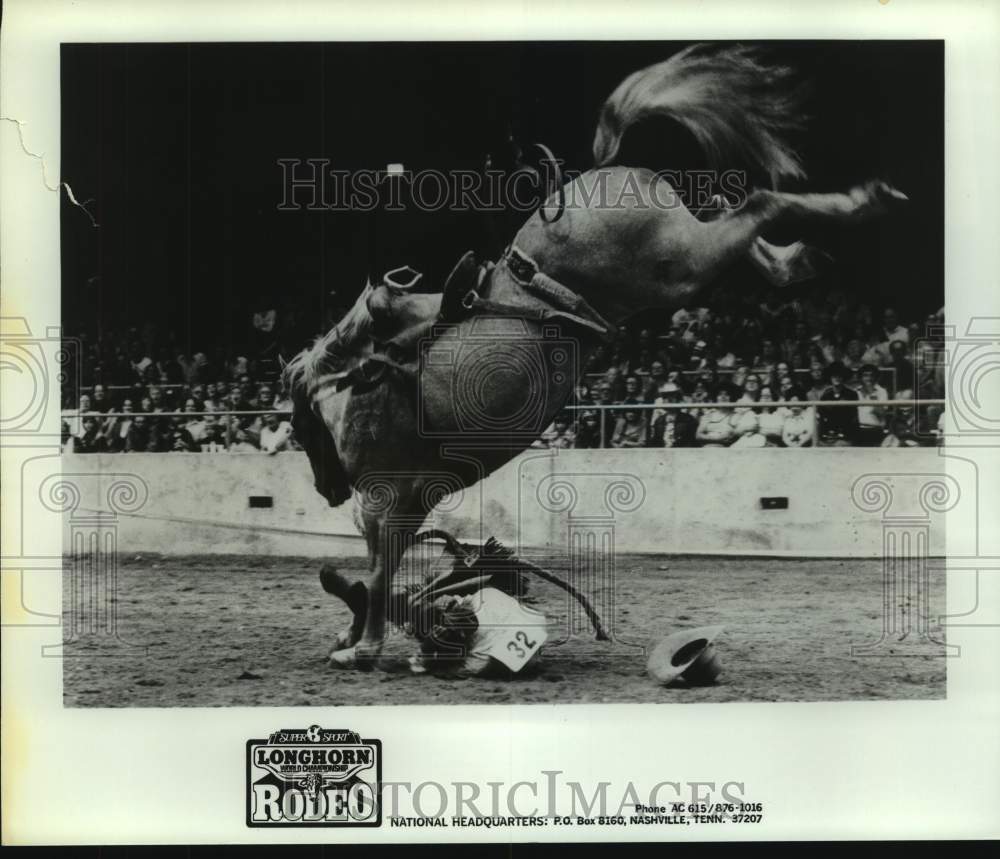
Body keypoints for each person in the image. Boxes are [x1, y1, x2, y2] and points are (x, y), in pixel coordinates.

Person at [818, 362, 860, 446]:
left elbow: (852, 418)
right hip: (828, 435)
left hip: (845, 435)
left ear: (843, 377)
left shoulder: (851, 394)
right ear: (830, 377)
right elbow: (822, 416)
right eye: (834, 376)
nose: (836, 378)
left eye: (839, 376)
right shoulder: (825, 395)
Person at [648, 383, 696, 448]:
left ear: (678, 398)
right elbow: (656, 443)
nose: (668, 399)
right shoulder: (659, 421)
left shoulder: (688, 420)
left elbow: (690, 442)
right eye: (665, 397)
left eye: (672, 396)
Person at [855, 364, 889, 446]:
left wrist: (872, 395)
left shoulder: (881, 391)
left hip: (875, 430)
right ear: (861, 378)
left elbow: (881, 413)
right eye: (865, 375)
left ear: (875, 377)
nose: (869, 378)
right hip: (858, 430)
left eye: (871, 375)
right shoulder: (856, 391)